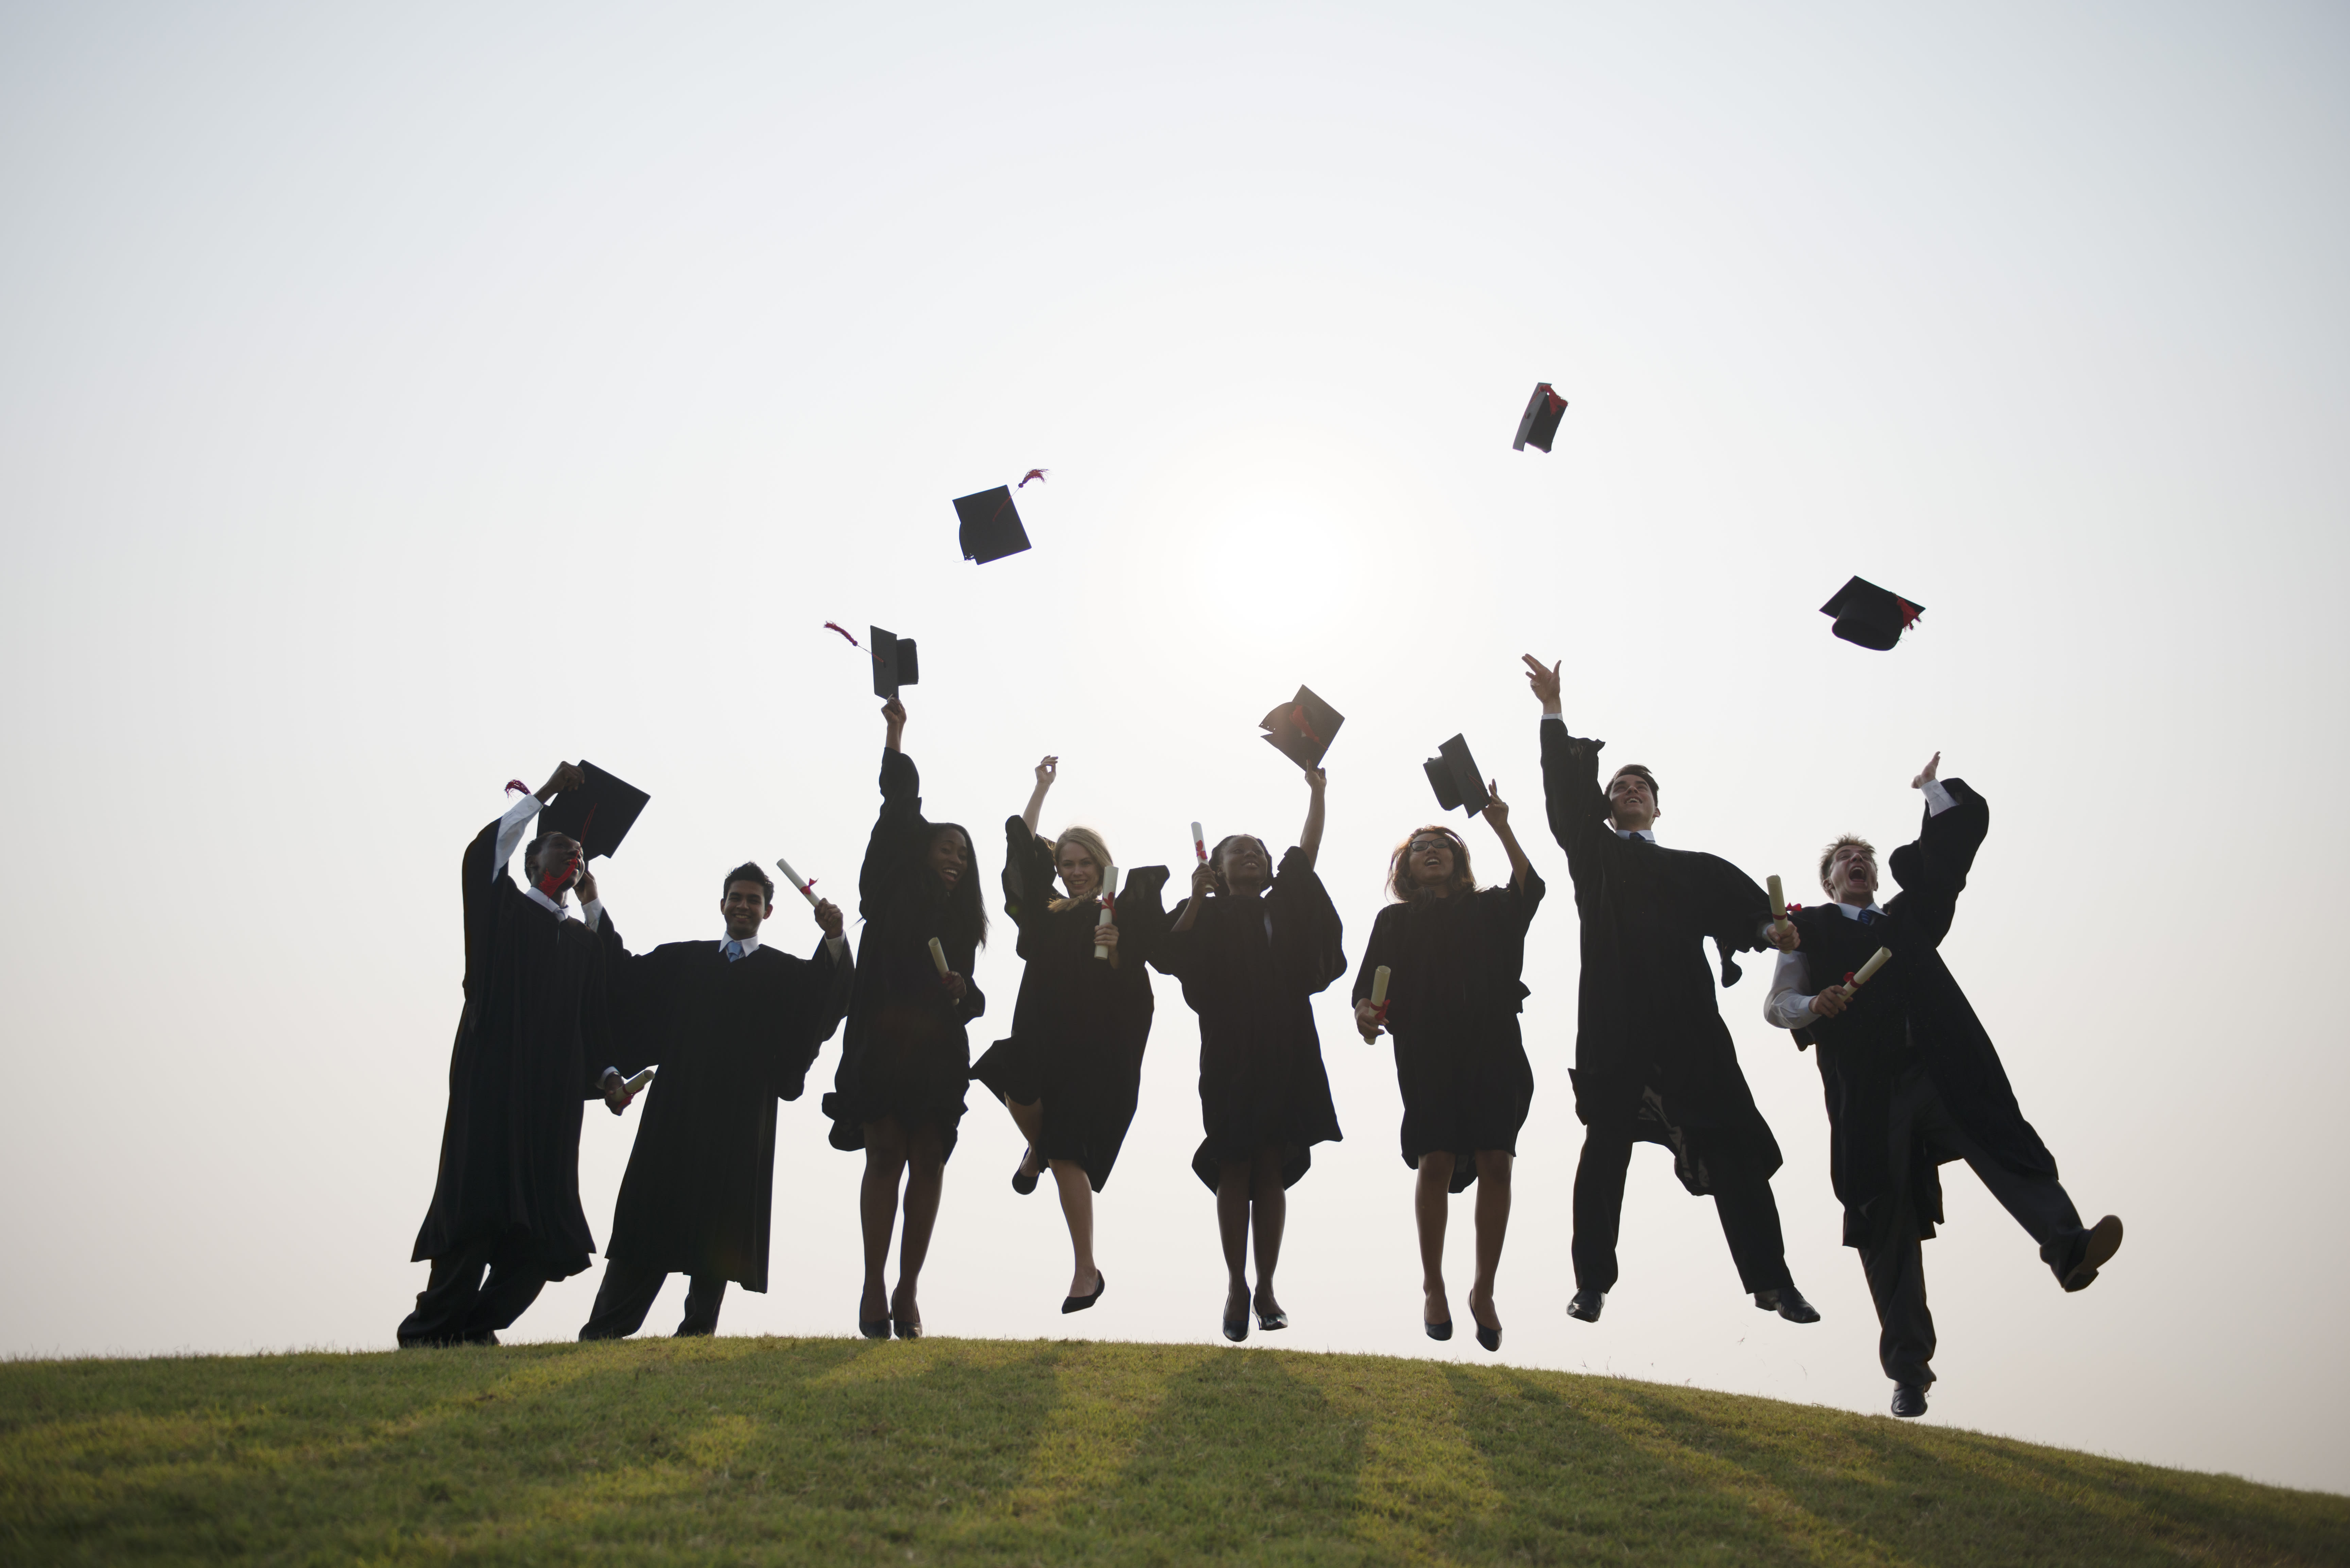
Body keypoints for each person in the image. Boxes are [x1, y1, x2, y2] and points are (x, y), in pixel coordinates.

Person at [1765, 753, 2122, 1419]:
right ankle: (1908, 1373)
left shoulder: (1908, 921)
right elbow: (1776, 1004)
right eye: (1843, 858)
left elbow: (1947, 858)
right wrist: (1816, 1007)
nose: (1856, 862)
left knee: (2004, 1146)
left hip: (1941, 1072)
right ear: (1828, 879)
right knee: (1884, 1220)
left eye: (1862, 856)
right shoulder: (1804, 929)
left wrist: (1930, 789)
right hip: (1870, 1097)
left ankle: (2067, 1246)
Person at [1522, 655, 1820, 1327]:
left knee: (1732, 1152)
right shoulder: (1594, 859)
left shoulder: (1694, 870)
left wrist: (1773, 932)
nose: (1628, 789)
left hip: (1689, 1030)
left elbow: (1749, 916)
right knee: (1605, 1152)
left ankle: (1773, 1282)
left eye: (1640, 785)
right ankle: (1591, 1283)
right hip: (1615, 1025)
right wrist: (1552, 711)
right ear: (1606, 806)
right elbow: (1563, 798)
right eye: (1619, 785)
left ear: (1657, 804)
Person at [400, 763, 636, 1347]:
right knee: (475, 1219)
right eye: (560, 846)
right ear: (532, 863)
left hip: (550, 1113)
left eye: (580, 853)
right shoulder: (501, 913)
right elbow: (483, 856)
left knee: (544, 1239)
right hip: (493, 1094)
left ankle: (477, 1329)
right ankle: (429, 1331)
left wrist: (608, 1077)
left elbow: (594, 1023)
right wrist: (547, 795)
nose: (573, 856)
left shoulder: (583, 945)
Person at [577, 862, 855, 1341]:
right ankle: (604, 1331)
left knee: (718, 1225)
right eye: (736, 897)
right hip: (675, 1114)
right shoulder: (683, 961)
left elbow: (825, 997)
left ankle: (697, 1333)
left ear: (769, 910)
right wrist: (591, 901)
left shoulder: (785, 974)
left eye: (753, 900)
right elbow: (621, 972)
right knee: (649, 1215)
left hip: (739, 1119)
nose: (743, 906)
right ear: (722, 904)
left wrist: (834, 939)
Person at [971, 757, 1171, 1314]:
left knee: (1067, 1152)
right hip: (1040, 1026)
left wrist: (1116, 946)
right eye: (1067, 863)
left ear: (1101, 863)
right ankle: (1035, 1140)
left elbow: (1133, 979)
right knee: (1012, 1076)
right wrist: (1040, 788)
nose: (1075, 871)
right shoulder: (1047, 913)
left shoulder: (1120, 909)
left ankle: (1086, 1269)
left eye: (1085, 862)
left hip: (1094, 1044)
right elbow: (1022, 858)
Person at [1152, 765, 1344, 1342]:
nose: (1253, 856)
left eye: (1258, 850)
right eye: (1238, 851)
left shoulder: (1282, 903)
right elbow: (1166, 952)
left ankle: (1266, 1286)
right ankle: (1235, 1283)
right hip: (1230, 1050)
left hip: (1288, 1044)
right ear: (1218, 864)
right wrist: (1193, 896)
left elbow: (1305, 854)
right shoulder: (1207, 911)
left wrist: (1317, 793)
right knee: (1234, 1161)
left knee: (1272, 1165)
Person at [1351, 788, 1543, 1353]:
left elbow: (1531, 888)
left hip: (1493, 1043)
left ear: (1460, 860)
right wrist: (1366, 1012)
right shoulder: (1394, 920)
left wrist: (1502, 827)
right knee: (1433, 1157)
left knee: (1495, 1161)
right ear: (1405, 868)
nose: (1431, 851)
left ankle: (1483, 1289)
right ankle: (1433, 1284)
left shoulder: (1489, 907)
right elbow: (1367, 988)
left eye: (1442, 846)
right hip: (1425, 1045)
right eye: (1419, 848)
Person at [821, 697, 986, 1340]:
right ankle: (870, 1285)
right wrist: (895, 734)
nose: (955, 857)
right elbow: (900, 807)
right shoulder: (891, 886)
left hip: (937, 1048)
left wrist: (963, 989)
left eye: (964, 855)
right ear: (921, 852)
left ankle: (909, 1288)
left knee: (928, 1158)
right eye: (947, 847)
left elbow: (973, 1000)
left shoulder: (963, 924)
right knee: (883, 1150)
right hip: (882, 1039)